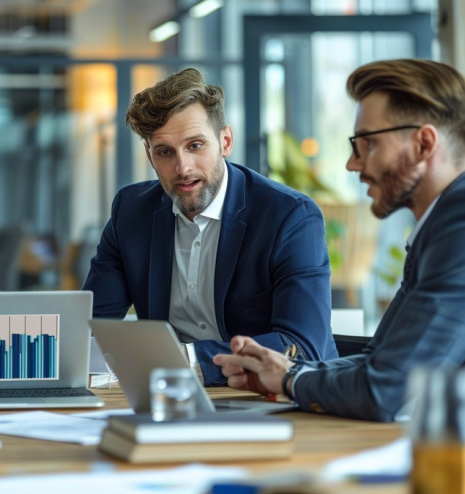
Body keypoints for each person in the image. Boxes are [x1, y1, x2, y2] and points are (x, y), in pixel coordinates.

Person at [214, 59, 465, 435]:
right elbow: (380, 361)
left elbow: (385, 389)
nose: (352, 163)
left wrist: (287, 380)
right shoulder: (463, 213)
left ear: (424, 143)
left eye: (368, 144)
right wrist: (287, 371)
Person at [83, 68, 337, 385]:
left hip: (278, 399)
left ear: (225, 141)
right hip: (173, 401)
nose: (183, 167)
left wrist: (177, 361)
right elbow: (90, 326)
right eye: (165, 152)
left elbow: (302, 348)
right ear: (150, 156)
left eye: (195, 145)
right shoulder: (132, 212)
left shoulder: (289, 217)